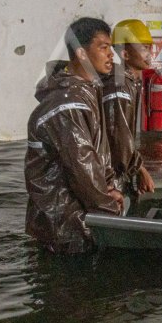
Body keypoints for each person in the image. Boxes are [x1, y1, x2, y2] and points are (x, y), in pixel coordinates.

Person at [25, 17, 124, 254]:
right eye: (103, 47)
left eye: (111, 47)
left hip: (76, 220)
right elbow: (82, 166)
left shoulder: (84, 92)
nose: (111, 55)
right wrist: (110, 208)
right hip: (65, 228)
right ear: (81, 53)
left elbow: (96, 154)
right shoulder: (68, 104)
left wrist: (110, 186)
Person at [103, 19, 156, 198]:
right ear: (125, 54)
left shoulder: (129, 81)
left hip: (117, 175)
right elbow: (119, 137)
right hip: (110, 180)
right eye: (143, 48)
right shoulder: (119, 85)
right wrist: (141, 170)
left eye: (149, 47)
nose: (149, 53)